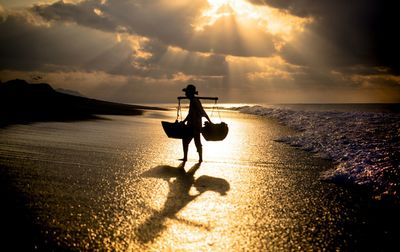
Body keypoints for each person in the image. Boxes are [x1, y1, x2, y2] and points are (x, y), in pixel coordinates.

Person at [181, 84, 211, 162]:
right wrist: (184, 121)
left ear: (190, 93)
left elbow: (202, 111)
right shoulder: (193, 101)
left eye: (187, 92)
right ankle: (199, 158)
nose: (185, 94)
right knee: (196, 142)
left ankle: (189, 158)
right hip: (193, 125)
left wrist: (210, 121)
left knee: (187, 141)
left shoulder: (194, 101)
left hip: (194, 126)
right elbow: (190, 113)